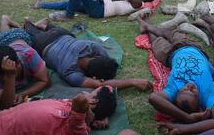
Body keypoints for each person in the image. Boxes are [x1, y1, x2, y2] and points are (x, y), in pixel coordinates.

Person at [137, 15, 214, 135]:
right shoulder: (206, 93)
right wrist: (188, 118)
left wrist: (185, 118)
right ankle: (147, 25)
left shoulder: (174, 89)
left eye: (184, 90)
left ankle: (147, 26)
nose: (189, 86)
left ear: (177, 93)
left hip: (169, 56)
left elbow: (153, 97)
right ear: (200, 100)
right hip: (192, 48)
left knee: (158, 42)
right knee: (169, 35)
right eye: (193, 91)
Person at [22, 17, 153, 91]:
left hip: (61, 34)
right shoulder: (70, 72)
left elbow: (105, 64)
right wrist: (131, 82)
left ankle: (43, 25)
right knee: (32, 33)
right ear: (94, 76)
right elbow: (101, 85)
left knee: (53, 31)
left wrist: (134, 81)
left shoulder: (90, 46)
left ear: (96, 57)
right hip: (44, 45)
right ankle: (29, 23)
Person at [0, 15, 50, 110]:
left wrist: (22, 94)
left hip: (17, 37)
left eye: (10, 72)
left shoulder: (29, 55)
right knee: (1, 36)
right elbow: (4, 105)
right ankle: (5, 20)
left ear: (18, 63)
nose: (4, 78)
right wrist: (10, 76)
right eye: (1, 76)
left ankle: (5, 20)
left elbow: (45, 81)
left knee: (11, 33)